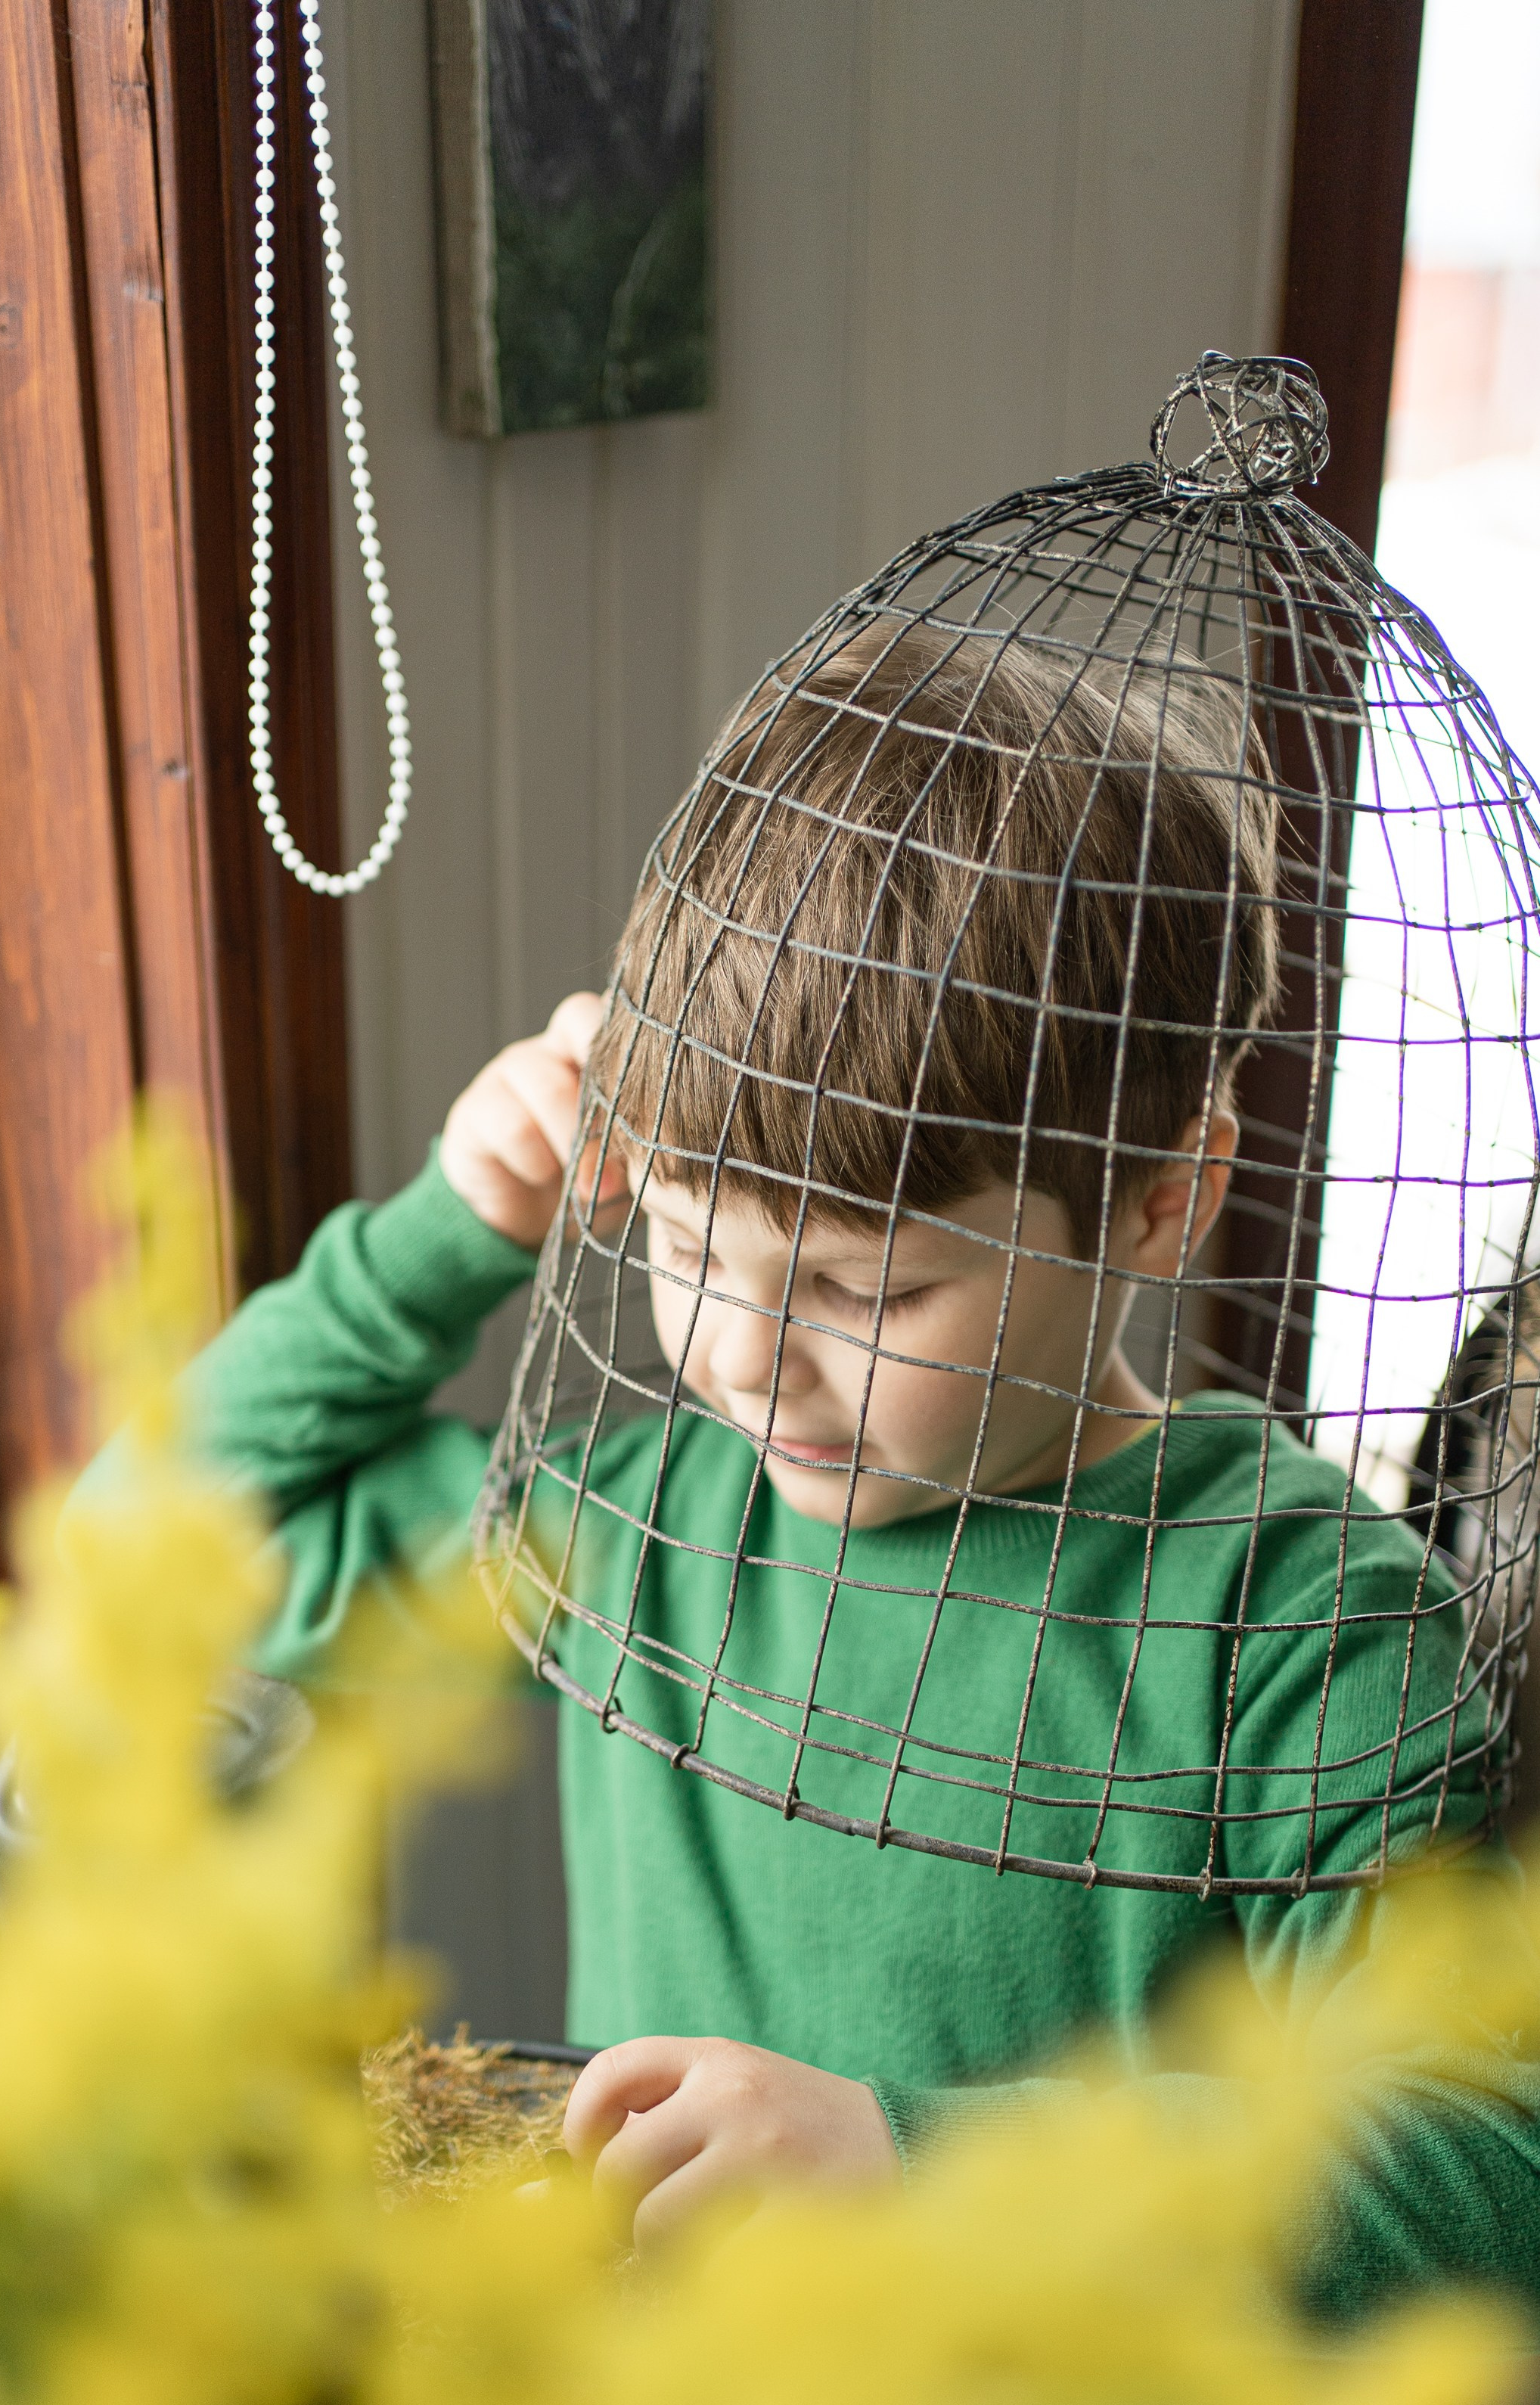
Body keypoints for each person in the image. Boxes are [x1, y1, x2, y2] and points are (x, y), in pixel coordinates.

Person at [157, 623, 1540, 2295]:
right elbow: (156, 1549)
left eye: (866, 1288)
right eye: (682, 1245)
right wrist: (450, 1232)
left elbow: (1493, 2158)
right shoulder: (651, 1530)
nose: (740, 1356)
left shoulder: (1290, 1618)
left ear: (1166, 1199)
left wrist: (916, 2163)